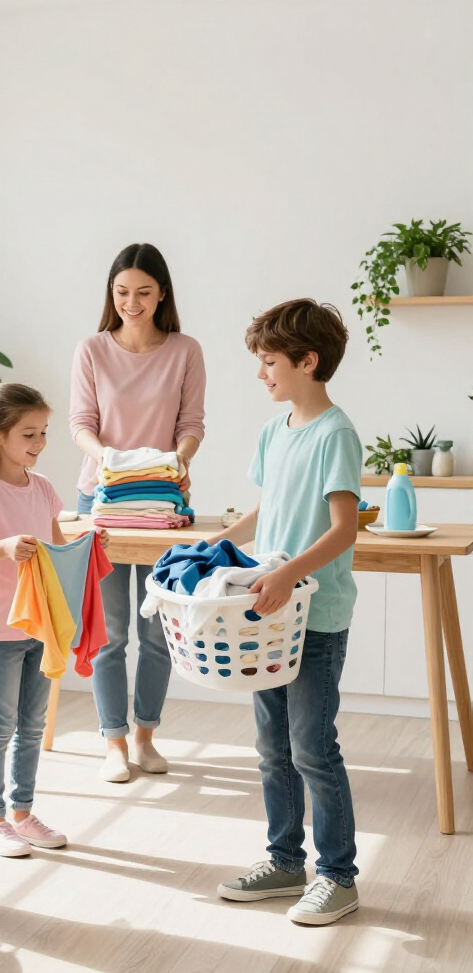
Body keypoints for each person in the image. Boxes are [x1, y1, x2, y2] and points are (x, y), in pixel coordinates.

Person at [211, 298, 361, 926]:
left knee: (311, 749)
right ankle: (284, 861)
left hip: (314, 616)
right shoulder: (276, 432)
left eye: (269, 362)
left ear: (308, 361)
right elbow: (266, 512)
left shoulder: (337, 433)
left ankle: (337, 875)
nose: (260, 373)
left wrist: (286, 572)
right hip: (268, 617)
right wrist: (219, 545)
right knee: (272, 749)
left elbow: (344, 529)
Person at [69, 244, 206, 783]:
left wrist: (174, 463)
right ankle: (113, 742)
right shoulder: (92, 350)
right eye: (122, 292)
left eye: (143, 293)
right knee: (110, 631)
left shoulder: (185, 350)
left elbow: (192, 423)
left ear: (162, 294)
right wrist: (111, 462)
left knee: (157, 631)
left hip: (164, 504)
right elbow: (82, 422)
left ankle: (145, 735)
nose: (132, 302)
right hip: (100, 501)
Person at [0, 384, 109, 857]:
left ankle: (22, 813)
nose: (39, 443)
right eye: (29, 434)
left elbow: (58, 549)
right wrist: (3, 547)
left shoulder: (43, 489)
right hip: (0, 629)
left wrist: (90, 541)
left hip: (39, 628)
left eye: (43, 433)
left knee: (32, 724)